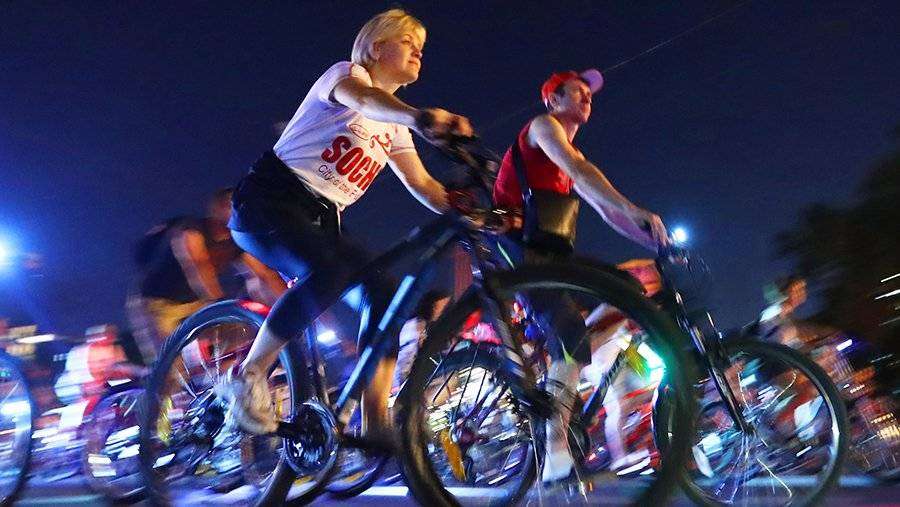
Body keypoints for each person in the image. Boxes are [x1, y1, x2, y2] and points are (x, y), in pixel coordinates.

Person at [216, 8, 473, 442]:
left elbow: (424, 185)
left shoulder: (395, 129)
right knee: (330, 270)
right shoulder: (347, 75)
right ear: (376, 46)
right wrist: (420, 117)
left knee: (386, 296)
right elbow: (364, 100)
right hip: (269, 201)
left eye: (421, 48)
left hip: (322, 219)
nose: (418, 53)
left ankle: (374, 421)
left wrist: (474, 211)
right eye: (408, 43)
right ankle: (247, 376)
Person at [492, 70, 668, 482]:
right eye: (578, 91)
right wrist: (635, 208)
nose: (588, 98)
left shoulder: (570, 154)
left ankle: (565, 358)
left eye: (590, 94)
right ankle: (553, 444)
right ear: (553, 100)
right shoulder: (542, 128)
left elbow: (606, 209)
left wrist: (655, 243)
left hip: (550, 253)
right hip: (515, 245)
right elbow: (582, 171)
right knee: (569, 330)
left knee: (628, 286)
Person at [127, 188, 285, 365]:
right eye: (232, 206)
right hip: (156, 305)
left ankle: (230, 376)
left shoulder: (236, 241)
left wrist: (289, 306)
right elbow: (198, 267)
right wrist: (221, 304)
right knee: (168, 366)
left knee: (240, 332)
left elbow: (263, 275)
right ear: (216, 209)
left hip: (194, 303)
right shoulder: (191, 230)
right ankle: (164, 380)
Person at [393, 289, 451, 392]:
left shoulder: (421, 326)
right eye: (440, 306)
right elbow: (404, 359)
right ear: (431, 306)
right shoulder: (413, 329)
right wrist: (398, 386)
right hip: (397, 385)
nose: (441, 311)